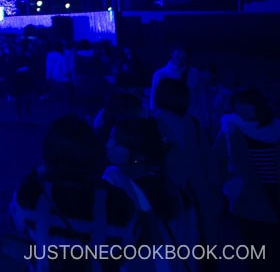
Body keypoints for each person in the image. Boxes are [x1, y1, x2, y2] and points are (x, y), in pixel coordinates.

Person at [10, 115, 138, 269]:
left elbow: (17, 224)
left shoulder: (32, 196)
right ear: (93, 153)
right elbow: (131, 242)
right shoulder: (118, 203)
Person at [103, 117, 197, 270]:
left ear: (131, 148)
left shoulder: (116, 185)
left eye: (114, 139)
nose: (107, 144)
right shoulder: (173, 186)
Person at [213, 88, 280, 266]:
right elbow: (217, 160)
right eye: (238, 105)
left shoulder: (276, 128)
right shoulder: (230, 129)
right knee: (258, 247)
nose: (243, 108)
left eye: (247, 103)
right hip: (249, 194)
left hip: (275, 191)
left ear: (258, 105)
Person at [152, 76, 218, 244]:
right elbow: (208, 162)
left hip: (175, 194)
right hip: (189, 193)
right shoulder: (191, 123)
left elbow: (137, 159)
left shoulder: (154, 122)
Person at [150, 47, 197, 113]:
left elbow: (198, 96)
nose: (181, 55)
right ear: (171, 53)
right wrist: (153, 112)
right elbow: (154, 96)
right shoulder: (160, 74)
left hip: (189, 114)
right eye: (178, 52)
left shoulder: (193, 73)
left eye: (184, 53)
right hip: (167, 116)